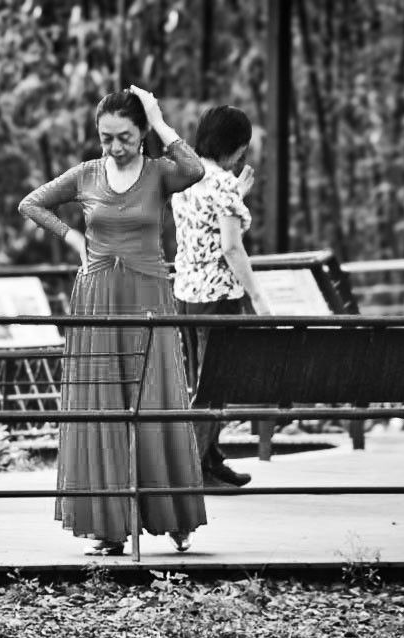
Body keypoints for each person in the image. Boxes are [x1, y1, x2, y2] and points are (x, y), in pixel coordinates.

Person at [18, 86, 207, 555]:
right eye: (106, 138)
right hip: (98, 296)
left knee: (156, 399)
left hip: (147, 296)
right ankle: (109, 526)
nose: (115, 147)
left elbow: (195, 170)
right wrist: (72, 237)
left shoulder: (160, 172)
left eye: (125, 136)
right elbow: (31, 203)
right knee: (101, 403)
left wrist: (159, 121)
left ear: (141, 133)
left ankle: (173, 516)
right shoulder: (86, 174)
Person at [171, 105, 269, 489]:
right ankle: (190, 471)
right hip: (218, 296)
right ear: (236, 146)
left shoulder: (186, 176)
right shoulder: (224, 184)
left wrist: (236, 195)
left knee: (202, 384)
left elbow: (205, 228)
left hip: (187, 294)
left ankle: (210, 463)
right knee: (216, 388)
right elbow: (230, 247)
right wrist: (256, 295)